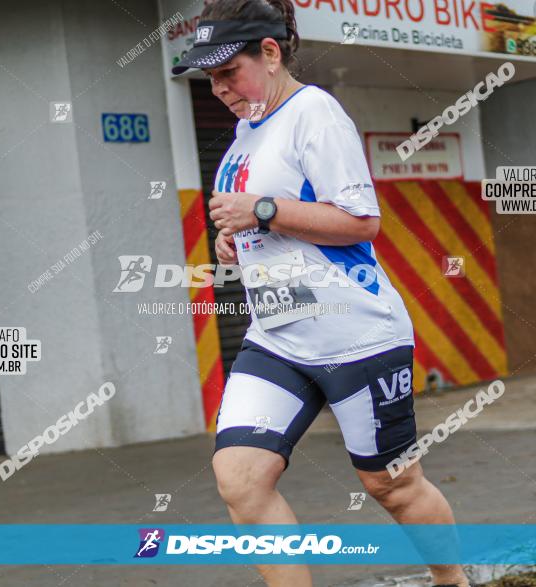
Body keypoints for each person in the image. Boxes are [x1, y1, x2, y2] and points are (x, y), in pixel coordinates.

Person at [172, 1, 471, 586]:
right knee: (240, 479)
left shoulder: (315, 114)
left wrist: (261, 211)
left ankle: (453, 580)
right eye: (209, 78)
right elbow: (268, 224)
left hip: (354, 333)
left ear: (270, 52)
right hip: (278, 337)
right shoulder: (244, 134)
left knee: (392, 484)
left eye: (228, 72)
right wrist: (237, 242)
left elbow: (360, 222)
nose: (219, 89)